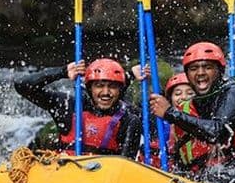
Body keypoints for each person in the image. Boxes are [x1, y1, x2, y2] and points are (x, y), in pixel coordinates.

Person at [148, 42, 235, 183]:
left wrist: (169, 113)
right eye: (194, 69)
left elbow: (217, 132)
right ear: (187, 75)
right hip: (216, 175)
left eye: (207, 67)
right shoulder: (187, 109)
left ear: (219, 71)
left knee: (214, 180)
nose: (200, 73)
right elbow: (181, 157)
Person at [14, 58, 142, 158]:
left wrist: (129, 75)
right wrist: (63, 72)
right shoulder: (67, 106)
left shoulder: (129, 120)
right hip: (65, 177)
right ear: (89, 88)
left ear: (120, 90)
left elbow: (126, 167)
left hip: (102, 182)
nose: (105, 92)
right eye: (99, 85)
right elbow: (22, 85)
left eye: (112, 87)